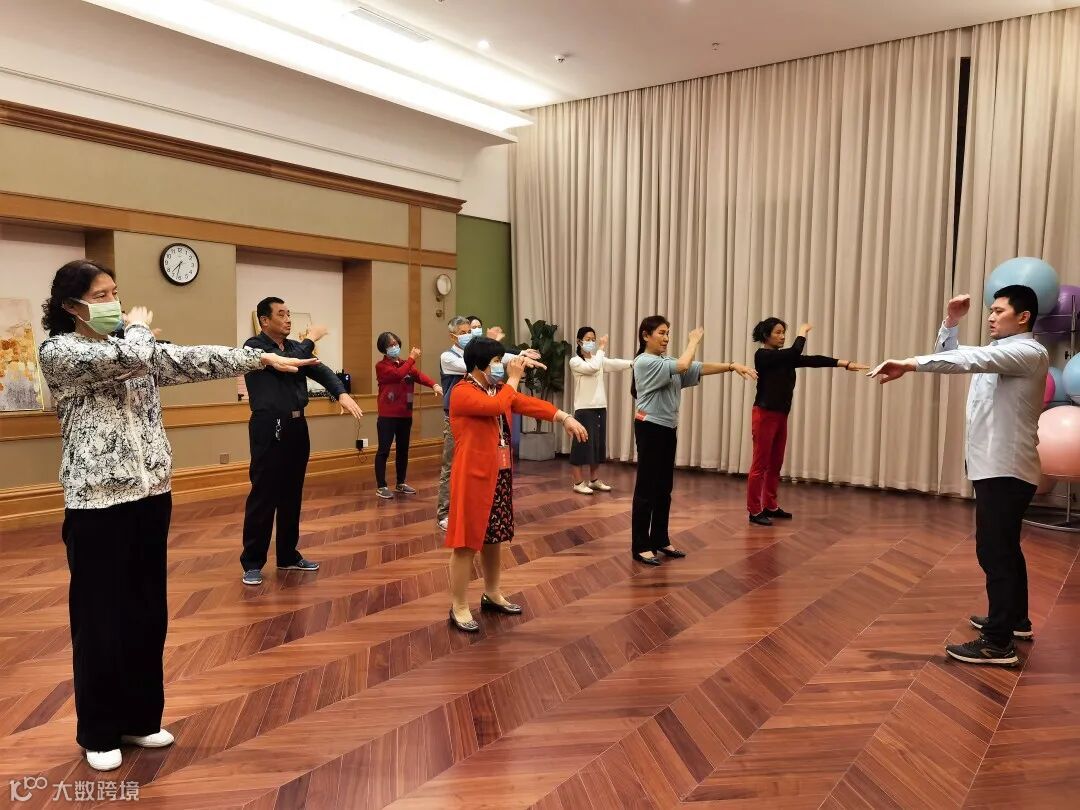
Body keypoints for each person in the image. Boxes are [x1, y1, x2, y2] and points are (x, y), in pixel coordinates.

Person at [38, 260, 314, 771]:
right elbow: (130, 355)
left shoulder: (136, 350)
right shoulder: (61, 352)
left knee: (147, 612)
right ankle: (99, 731)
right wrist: (139, 328)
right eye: (101, 296)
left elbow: (190, 359)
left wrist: (258, 360)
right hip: (97, 503)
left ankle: (140, 718)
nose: (115, 303)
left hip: (151, 495)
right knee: (101, 619)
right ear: (71, 306)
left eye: (115, 292)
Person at [871, 286, 1048, 666]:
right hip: (996, 467)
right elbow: (952, 356)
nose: (991, 317)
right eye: (990, 310)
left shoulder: (1028, 352)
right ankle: (1014, 620)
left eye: (999, 311)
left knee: (995, 551)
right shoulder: (1001, 352)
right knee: (1005, 548)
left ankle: (997, 643)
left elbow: (966, 360)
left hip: (1006, 469)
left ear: (1023, 317)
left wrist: (909, 364)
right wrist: (951, 321)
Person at [444, 339, 587, 632]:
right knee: (466, 543)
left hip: (498, 475)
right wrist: (513, 377)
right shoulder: (461, 392)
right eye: (496, 361)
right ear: (479, 365)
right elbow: (496, 406)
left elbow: (526, 404)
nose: (501, 366)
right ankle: (458, 606)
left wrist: (563, 417)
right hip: (472, 477)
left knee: (493, 537)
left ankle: (492, 593)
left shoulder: (497, 389)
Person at [240, 297, 364, 586]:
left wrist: (341, 393)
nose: (288, 319)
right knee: (264, 495)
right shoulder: (254, 347)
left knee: (292, 493)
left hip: (297, 426)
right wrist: (311, 338)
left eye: (289, 314)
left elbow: (320, 369)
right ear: (264, 320)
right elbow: (290, 362)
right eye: (281, 314)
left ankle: (287, 555)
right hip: (269, 427)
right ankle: (252, 563)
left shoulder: (296, 348)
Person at [630, 316, 757, 565]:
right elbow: (684, 364)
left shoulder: (666, 361)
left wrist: (732, 366)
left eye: (668, 333)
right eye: (661, 333)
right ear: (645, 335)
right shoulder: (644, 361)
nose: (666, 338)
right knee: (646, 488)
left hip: (667, 428)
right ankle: (641, 546)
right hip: (650, 427)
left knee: (663, 488)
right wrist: (693, 341)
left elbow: (697, 367)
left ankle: (660, 539)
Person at [747, 318, 868, 525]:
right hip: (764, 415)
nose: (782, 336)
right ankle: (754, 510)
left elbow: (814, 360)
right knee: (760, 464)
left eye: (784, 332)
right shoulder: (763, 356)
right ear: (766, 336)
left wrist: (844, 364)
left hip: (781, 415)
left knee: (775, 463)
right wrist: (802, 331)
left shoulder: (785, 358)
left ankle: (770, 505)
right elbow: (795, 351)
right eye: (778, 332)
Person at [437, 316, 541, 530]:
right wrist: (511, 363)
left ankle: (477, 510)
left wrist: (520, 355)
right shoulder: (448, 357)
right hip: (456, 418)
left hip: (480, 412)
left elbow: (494, 359)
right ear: (452, 336)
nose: (469, 334)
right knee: (450, 467)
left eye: (471, 330)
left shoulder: (483, 364)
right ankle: (445, 513)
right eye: (464, 332)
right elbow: (474, 364)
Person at [374, 331, 441, 499]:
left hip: (405, 414)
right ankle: (381, 486)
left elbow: (419, 376)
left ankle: (401, 482)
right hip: (388, 415)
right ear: (383, 348)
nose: (394, 347)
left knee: (403, 450)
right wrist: (412, 358)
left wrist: (434, 385)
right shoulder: (381, 366)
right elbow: (398, 374)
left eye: (396, 344)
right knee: (383, 450)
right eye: (390, 345)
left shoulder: (406, 364)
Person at [568, 327, 633, 494]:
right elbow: (594, 368)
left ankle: (594, 480)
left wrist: (632, 363)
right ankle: (578, 482)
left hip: (600, 407)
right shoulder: (575, 361)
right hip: (584, 409)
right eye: (588, 339)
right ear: (579, 341)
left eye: (593, 339)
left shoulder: (598, 359)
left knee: (596, 446)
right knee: (581, 446)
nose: (591, 342)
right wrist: (602, 348)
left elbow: (613, 363)